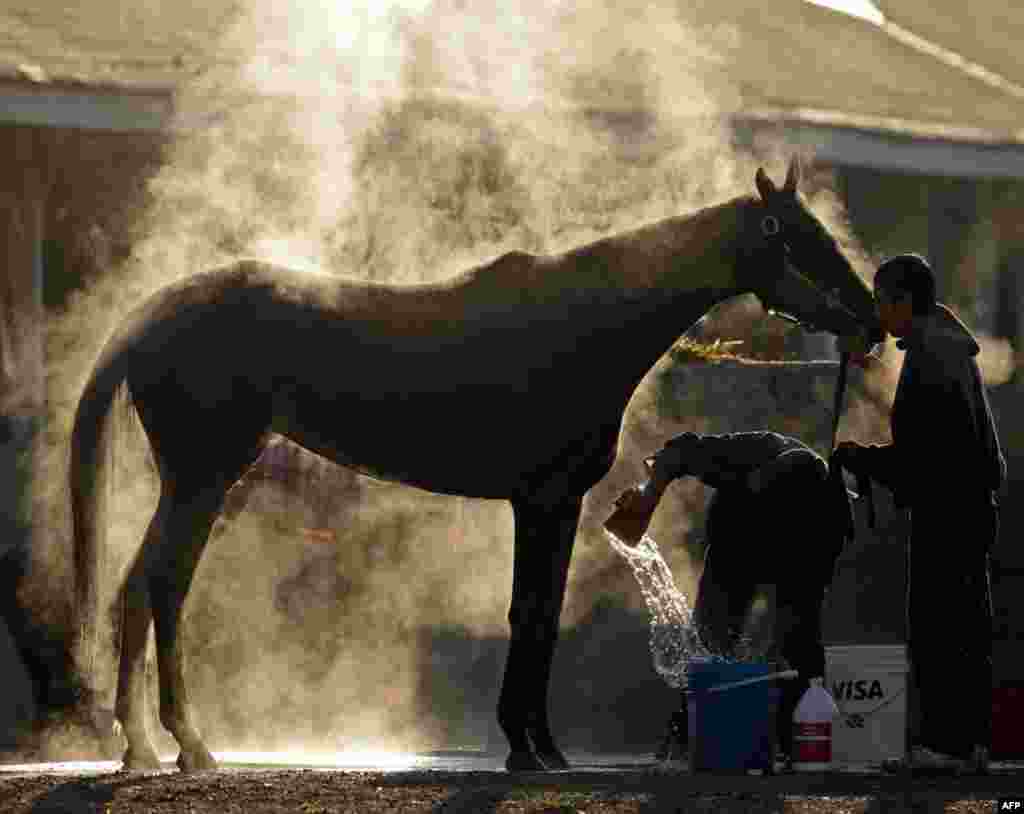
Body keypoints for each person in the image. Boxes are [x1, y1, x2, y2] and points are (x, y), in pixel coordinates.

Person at [833, 252, 1005, 775]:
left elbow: (925, 456)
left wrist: (861, 458)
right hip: (966, 508)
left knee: (939, 629)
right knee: (963, 627)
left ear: (904, 301)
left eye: (883, 303)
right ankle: (965, 744)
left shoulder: (933, 356)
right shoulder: (945, 347)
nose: (880, 315)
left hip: (948, 512)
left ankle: (943, 746)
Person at [606, 430, 850, 769]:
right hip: (735, 538)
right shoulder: (746, 453)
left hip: (800, 552)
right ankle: (687, 737)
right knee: (713, 637)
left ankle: (795, 743)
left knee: (799, 641)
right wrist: (649, 496)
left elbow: (811, 593)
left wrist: (785, 639)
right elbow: (676, 452)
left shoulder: (828, 513)